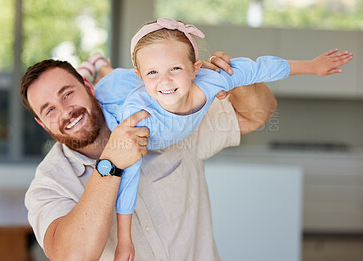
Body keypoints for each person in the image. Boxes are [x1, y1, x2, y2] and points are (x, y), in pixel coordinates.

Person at [76, 18, 353, 260]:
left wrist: (312, 66)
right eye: (153, 72)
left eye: (175, 69)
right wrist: (125, 239)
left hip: (131, 83)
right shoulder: (137, 116)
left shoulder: (211, 80)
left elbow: (258, 68)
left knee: (114, 76)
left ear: (196, 68)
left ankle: (100, 64)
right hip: (115, 99)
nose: (166, 81)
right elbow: (129, 178)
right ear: (142, 76)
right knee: (106, 82)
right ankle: (94, 69)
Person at [22, 49, 282, 260]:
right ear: (42, 124)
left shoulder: (163, 115)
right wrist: (110, 164)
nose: (65, 111)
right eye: (49, 110)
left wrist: (232, 77)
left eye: (67, 94)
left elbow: (261, 113)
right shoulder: (49, 184)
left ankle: (99, 63)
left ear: (89, 87)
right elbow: (73, 257)